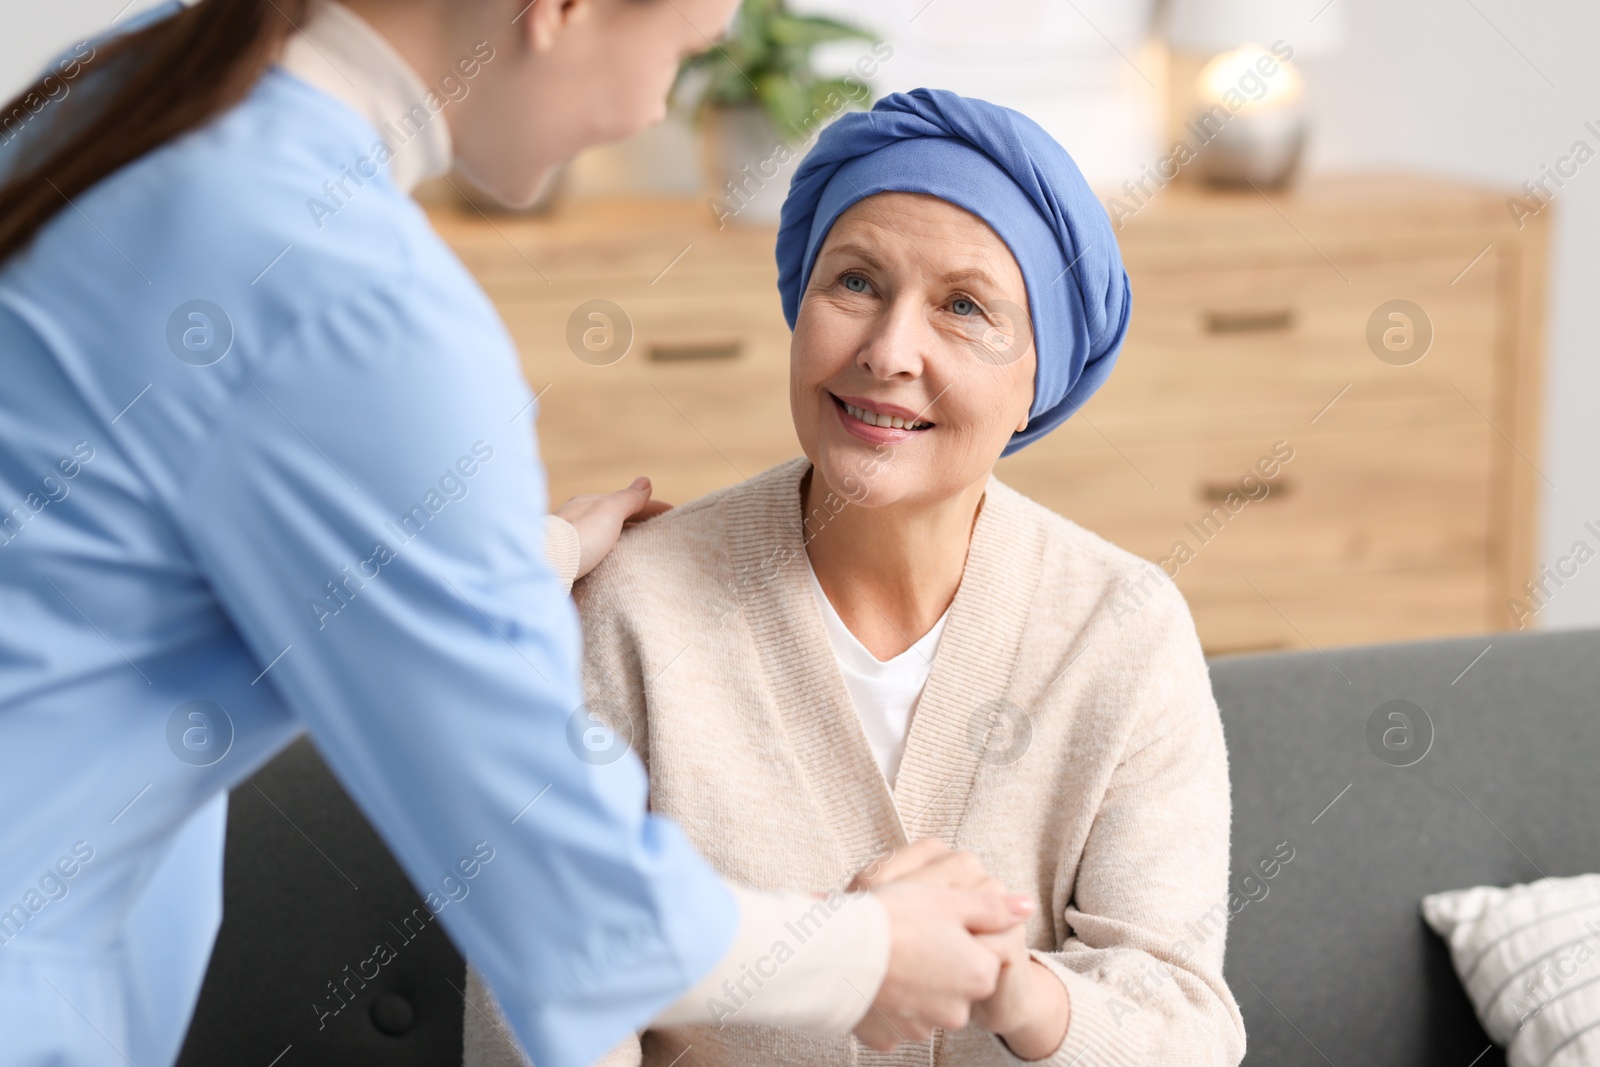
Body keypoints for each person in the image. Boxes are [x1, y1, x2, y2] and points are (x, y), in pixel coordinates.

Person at [0, 4, 1030, 1066]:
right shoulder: (357, 297)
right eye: (682, 55)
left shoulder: (129, 87)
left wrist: (499, 558)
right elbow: (563, 909)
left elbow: (131, 549)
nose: (648, 109)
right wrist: (869, 954)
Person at [466, 89, 1247, 1065]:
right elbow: (544, 1005)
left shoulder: (1123, 627)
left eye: (964, 307)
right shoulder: (635, 604)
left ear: (1038, 379)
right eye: (856, 282)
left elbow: (1184, 1028)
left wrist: (1016, 987)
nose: (887, 351)